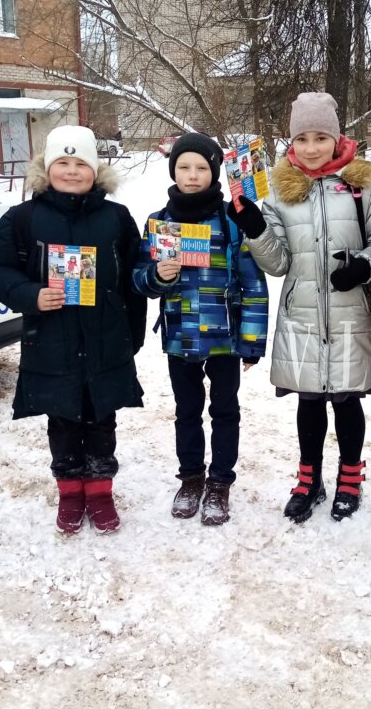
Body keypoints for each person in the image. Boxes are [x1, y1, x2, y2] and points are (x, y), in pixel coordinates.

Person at [227, 92, 371, 523]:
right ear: (292, 142)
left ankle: (351, 477)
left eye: (321, 137)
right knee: (310, 401)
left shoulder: (362, 187)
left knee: (348, 400)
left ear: (337, 139)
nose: (312, 147)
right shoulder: (280, 192)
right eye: (303, 138)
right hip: (301, 313)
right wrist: (254, 227)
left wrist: (364, 266)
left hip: (350, 313)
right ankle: (309, 477)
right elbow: (278, 262)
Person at [0, 125, 146, 536]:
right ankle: (70, 492)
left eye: (81, 164)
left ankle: (101, 492)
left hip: (106, 339)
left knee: (102, 419)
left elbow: (132, 279)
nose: (72, 171)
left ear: (95, 170)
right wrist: (29, 294)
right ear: (47, 168)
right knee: (64, 419)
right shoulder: (23, 218)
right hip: (51, 340)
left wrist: (132, 337)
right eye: (63, 163)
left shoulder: (117, 218)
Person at [133, 133, 269, 525]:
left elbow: (253, 283)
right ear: (173, 170)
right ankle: (191, 479)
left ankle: (220, 483)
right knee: (186, 412)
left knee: (225, 412)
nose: (192, 176)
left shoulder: (231, 221)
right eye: (183, 167)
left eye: (201, 168)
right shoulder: (160, 222)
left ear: (214, 172)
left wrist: (252, 341)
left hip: (225, 339)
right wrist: (157, 276)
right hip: (180, 337)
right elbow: (139, 279)